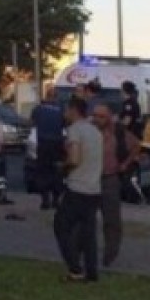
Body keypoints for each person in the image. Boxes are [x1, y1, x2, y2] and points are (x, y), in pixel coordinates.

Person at [53, 96, 103, 282]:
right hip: (94, 189)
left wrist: (63, 167)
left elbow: (74, 158)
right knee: (88, 234)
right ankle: (92, 272)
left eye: (66, 110)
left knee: (61, 227)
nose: (65, 114)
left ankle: (75, 268)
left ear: (74, 110)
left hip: (77, 188)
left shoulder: (74, 130)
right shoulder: (95, 132)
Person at [92, 102, 140, 268]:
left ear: (109, 117)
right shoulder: (89, 131)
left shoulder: (118, 132)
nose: (97, 119)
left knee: (111, 219)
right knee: (84, 218)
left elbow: (136, 146)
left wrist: (125, 164)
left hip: (110, 179)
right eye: (95, 116)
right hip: (90, 180)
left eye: (101, 116)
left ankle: (110, 253)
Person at [31, 87, 65, 210]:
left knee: (43, 172)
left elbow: (32, 122)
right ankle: (56, 200)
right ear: (55, 97)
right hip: (57, 143)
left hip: (43, 143)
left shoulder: (38, 109)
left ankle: (45, 200)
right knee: (57, 172)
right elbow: (65, 124)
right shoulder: (61, 110)